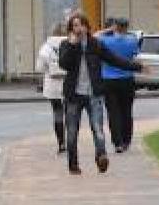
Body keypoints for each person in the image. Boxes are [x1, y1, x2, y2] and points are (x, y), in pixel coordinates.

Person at [57, 13, 142, 175]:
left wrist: (137, 67)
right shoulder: (66, 45)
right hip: (73, 95)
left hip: (93, 94)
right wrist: (73, 45)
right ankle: (73, 165)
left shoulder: (95, 44)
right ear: (71, 29)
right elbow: (64, 64)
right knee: (72, 132)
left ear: (87, 27)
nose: (78, 28)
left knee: (97, 128)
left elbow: (114, 59)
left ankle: (101, 157)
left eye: (81, 24)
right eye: (75, 25)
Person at [98, 17, 140, 153]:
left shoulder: (105, 40)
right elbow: (135, 56)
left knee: (113, 112)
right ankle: (126, 140)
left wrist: (107, 30)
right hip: (127, 79)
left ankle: (117, 142)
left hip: (108, 79)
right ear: (127, 27)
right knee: (127, 110)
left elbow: (95, 37)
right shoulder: (132, 40)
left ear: (115, 26)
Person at [36, 24, 68, 153]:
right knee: (71, 113)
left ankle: (61, 142)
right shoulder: (70, 44)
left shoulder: (46, 47)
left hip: (52, 85)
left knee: (57, 113)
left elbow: (39, 68)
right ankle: (72, 140)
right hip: (69, 84)